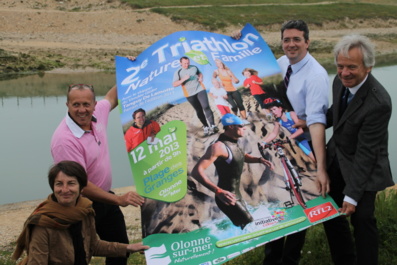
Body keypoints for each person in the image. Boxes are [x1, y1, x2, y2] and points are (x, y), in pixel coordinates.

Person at [233, 19, 330, 265]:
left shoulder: (316, 75)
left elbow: (318, 122)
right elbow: (256, 72)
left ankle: (290, 260)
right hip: (281, 140)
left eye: (297, 39)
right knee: (277, 200)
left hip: (304, 147)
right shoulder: (282, 63)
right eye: (287, 39)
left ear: (307, 42)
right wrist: (236, 43)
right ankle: (271, 258)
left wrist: (320, 167)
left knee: (301, 207)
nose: (291, 44)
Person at [51, 84, 145, 265]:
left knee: (120, 249)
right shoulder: (64, 140)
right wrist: (119, 200)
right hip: (78, 204)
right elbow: (81, 185)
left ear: (94, 104)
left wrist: (132, 65)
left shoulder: (98, 113)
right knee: (79, 255)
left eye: (86, 104)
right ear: (67, 105)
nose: (81, 110)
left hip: (105, 198)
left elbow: (111, 97)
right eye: (75, 104)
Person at [323, 34, 393, 265]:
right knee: (329, 210)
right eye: (340, 66)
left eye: (352, 67)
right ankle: (344, 260)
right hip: (337, 156)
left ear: (369, 67)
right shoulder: (339, 81)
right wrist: (312, 122)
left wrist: (351, 196)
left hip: (366, 164)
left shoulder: (379, 102)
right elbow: (338, 112)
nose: (344, 73)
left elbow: (366, 153)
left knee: (362, 219)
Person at [12, 160, 149, 265]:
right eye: (59, 184)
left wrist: (130, 247)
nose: (65, 190)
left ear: (81, 187)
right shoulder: (43, 222)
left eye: (71, 183)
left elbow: (93, 245)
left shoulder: (85, 210)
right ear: (52, 186)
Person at [191, 113, 274, 229]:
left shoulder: (234, 142)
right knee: (250, 224)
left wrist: (259, 160)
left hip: (236, 195)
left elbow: (240, 155)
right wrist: (218, 191)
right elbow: (196, 172)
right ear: (230, 126)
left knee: (247, 228)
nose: (244, 128)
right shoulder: (218, 147)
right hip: (226, 198)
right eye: (240, 126)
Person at [172, 56, 218, 136]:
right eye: (185, 63)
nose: (187, 64)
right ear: (181, 63)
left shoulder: (194, 67)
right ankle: (205, 126)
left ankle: (213, 125)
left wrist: (200, 77)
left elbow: (199, 73)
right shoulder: (178, 72)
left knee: (206, 106)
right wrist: (183, 79)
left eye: (188, 63)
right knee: (199, 110)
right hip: (189, 94)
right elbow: (174, 84)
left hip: (200, 89)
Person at [262, 98, 315, 162]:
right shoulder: (278, 121)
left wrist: (290, 137)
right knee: (315, 160)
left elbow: (302, 129)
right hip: (301, 141)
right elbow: (274, 133)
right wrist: (264, 142)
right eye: (271, 110)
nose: (273, 112)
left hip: (310, 136)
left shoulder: (291, 114)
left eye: (274, 109)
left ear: (280, 108)